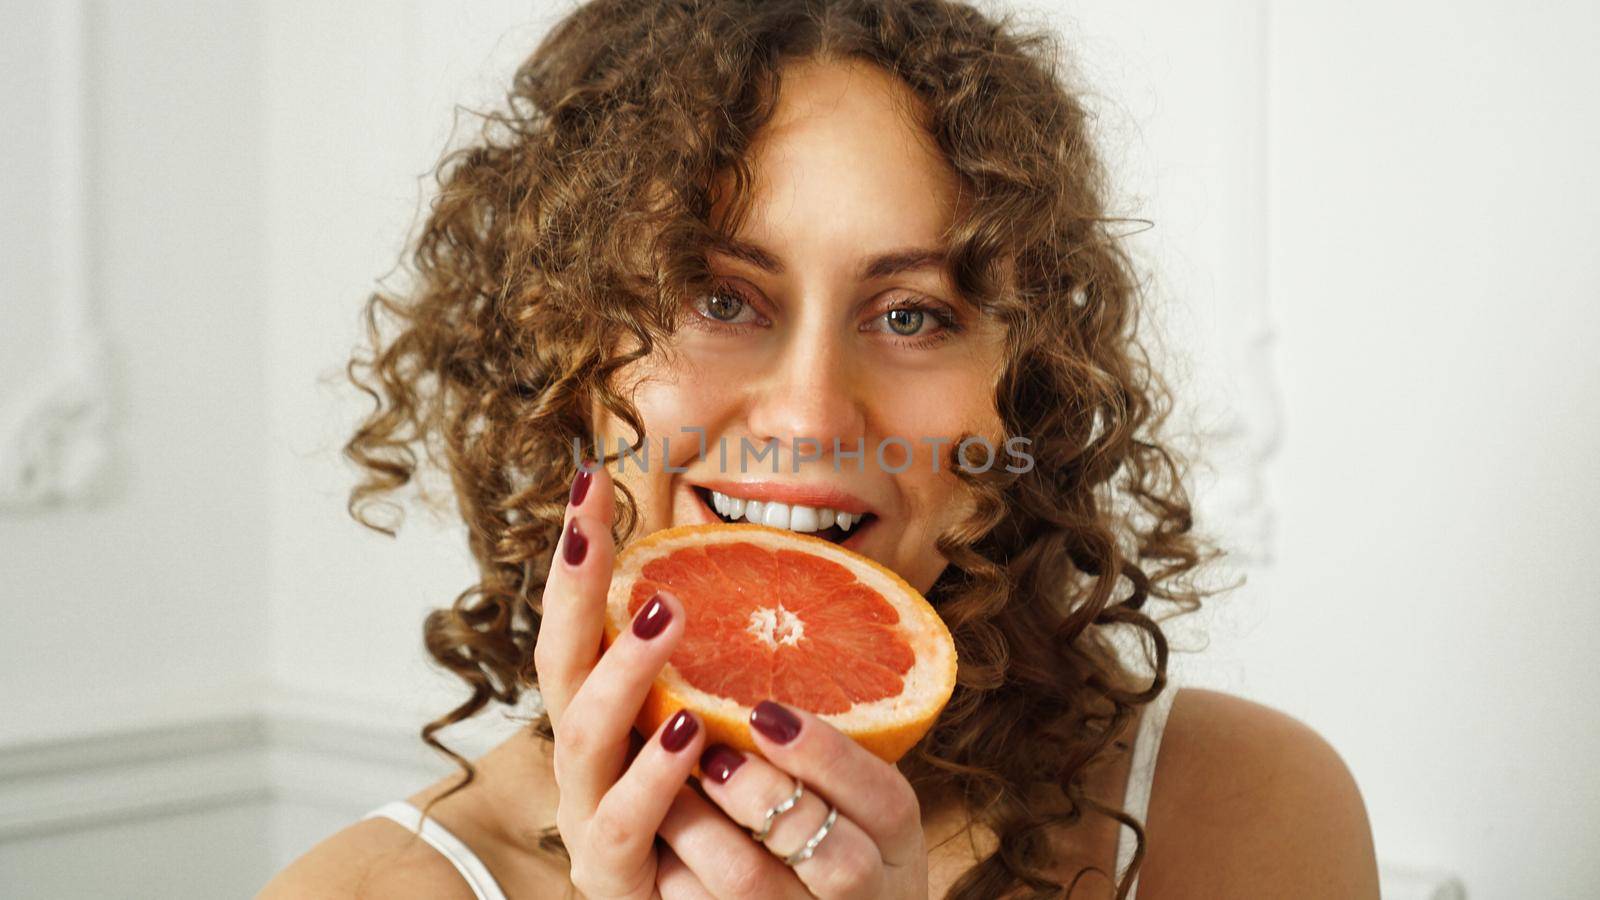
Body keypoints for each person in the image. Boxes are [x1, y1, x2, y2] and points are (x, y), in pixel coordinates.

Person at [261, 0, 1379, 897]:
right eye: (716, 297)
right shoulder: (368, 891)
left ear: (1025, 392)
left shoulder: (1237, 809)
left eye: (911, 315)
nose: (807, 416)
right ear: (561, 355)